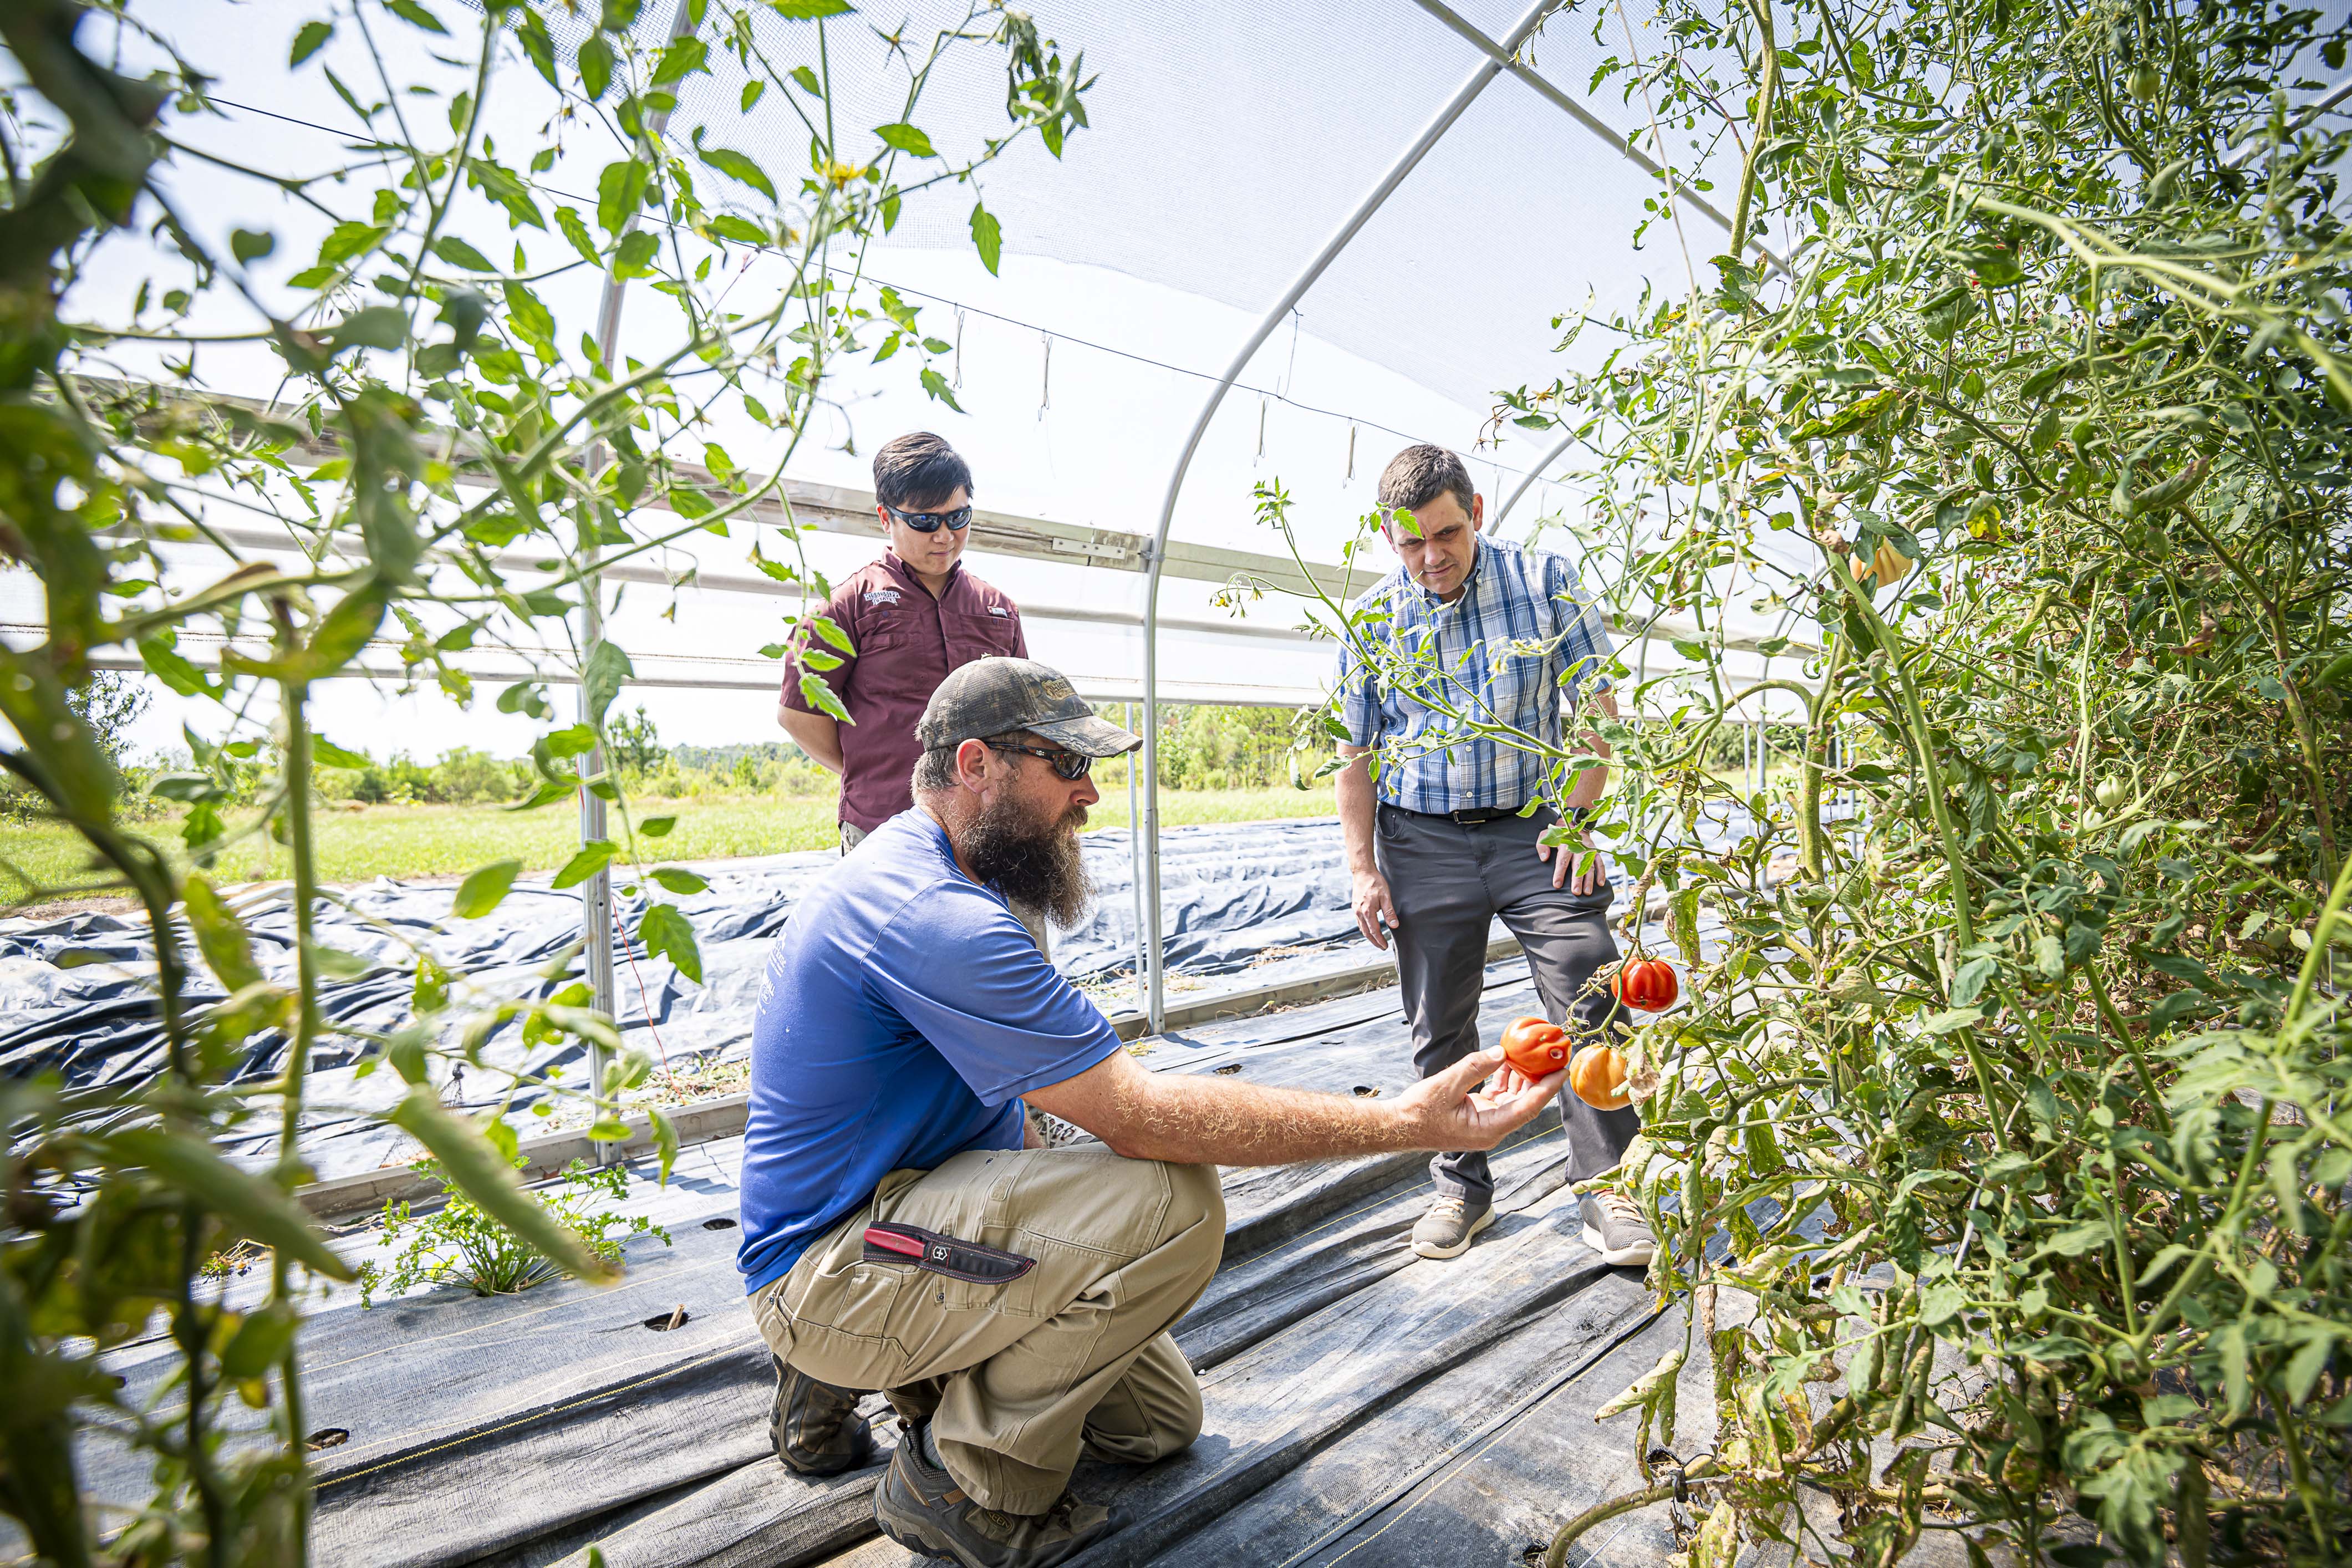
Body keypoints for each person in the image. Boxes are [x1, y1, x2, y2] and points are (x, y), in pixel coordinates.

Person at [739, 655, 1564, 1568]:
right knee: (1171, 1202)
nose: (1089, 792)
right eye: (1065, 764)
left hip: (905, 1208)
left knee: (1159, 1426)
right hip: (835, 1259)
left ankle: (918, 1364)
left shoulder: (943, 871)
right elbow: (1138, 1117)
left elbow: (1024, 1103)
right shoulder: (932, 916)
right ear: (975, 764)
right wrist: (1406, 1125)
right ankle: (959, 1484)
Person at [1333, 444, 1657, 1268]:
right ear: (1387, 535)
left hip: (1534, 825)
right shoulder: (1371, 620)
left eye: (1445, 535)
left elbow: (1598, 711)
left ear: (1476, 514)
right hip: (1422, 837)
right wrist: (1363, 867)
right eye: (1410, 544)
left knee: (1590, 978)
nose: (1430, 558)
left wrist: (1577, 826)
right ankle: (1459, 1187)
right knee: (1438, 1015)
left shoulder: (1545, 582)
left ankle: (1610, 1186)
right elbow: (1356, 753)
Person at [776, 430, 1026, 854]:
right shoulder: (847, 606)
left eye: (959, 518)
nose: (945, 536)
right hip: (885, 827)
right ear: (885, 517)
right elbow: (799, 715)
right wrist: (869, 767)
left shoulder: (997, 608)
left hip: (988, 829)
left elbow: (1023, 715)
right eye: (926, 522)